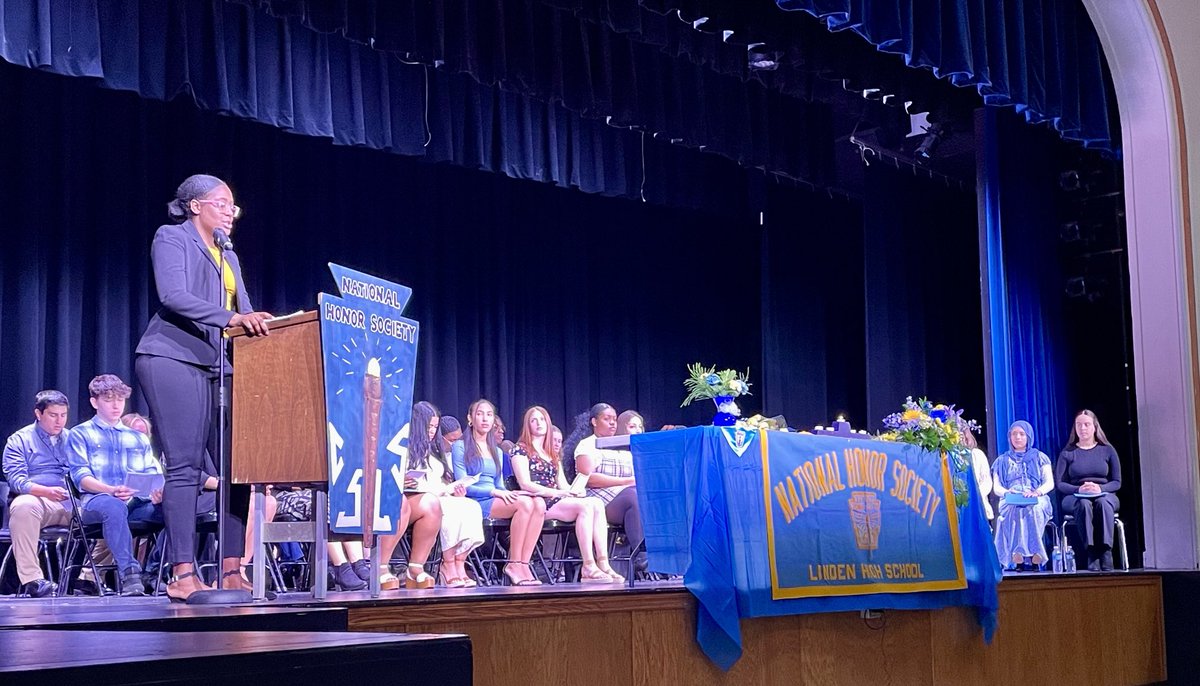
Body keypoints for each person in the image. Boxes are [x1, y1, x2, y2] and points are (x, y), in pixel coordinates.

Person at [134, 174, 273, 602]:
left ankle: (232, 568)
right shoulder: (171, 237)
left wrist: (275, 325)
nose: (230, 213)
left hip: (221, 363)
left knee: (238, 466)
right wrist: (231, 320)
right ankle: (182, 573)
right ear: (195, 206)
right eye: (221, 203)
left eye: (234, 207)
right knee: (185, 466)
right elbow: (173, 295)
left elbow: (243, 310)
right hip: (171, 357)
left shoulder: (227, 255)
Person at [66, 375, 165, 596]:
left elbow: (152, 472)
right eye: (109, 399)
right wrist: (111, 490)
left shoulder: (137, 438)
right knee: (114, 506)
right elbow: (81, 477)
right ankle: (130, 574)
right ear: (94, 402)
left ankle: (156, 570)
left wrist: (158, 491)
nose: (116, 405)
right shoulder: (80, 434)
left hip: (136, 502)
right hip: (95, 503)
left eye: (120, 399)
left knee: (174, 509)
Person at [511, 406, 622, 583]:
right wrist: (560, 492)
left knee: (595, 502)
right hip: (538, 501)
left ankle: (603, 563)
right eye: (534, 420)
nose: (539, 423)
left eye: (542, 419)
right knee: (585, 507)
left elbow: (562, 483)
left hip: (557, 498)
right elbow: (525, 483)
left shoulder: (551, 453)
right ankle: (588, 565)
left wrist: (573, 491)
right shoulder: (520, 449)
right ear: (527, 425)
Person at [453, 399, 545, 586]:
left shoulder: (495, 450)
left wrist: (513, 493)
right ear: (470, 418)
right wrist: (495, 492)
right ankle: (513, 563)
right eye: (480, 414)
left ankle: (523, 563)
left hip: (496, 496)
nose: (485, 419)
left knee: (538, 503)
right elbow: (463, 485)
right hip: (474, 500)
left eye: (489, 414)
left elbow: (500, 484)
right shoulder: (460, 446)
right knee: (525, 505)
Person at [404, 401, 484, 587]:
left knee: (470, 506)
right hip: (418, 499)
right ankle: (446, 565)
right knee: (448, 509)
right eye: (428, 426)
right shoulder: (406, 450)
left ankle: (459, 562)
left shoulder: (433, 450)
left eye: (434, 426)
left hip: (439, 494)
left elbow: (441, 480)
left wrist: (454, 489)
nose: (432, 431)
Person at [2, 390, 73, 597]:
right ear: (38, 413)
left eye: (63, 415)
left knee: (110, 507)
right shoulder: (19, 440)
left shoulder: (73, 439)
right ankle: (33, 580)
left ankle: (87, 577)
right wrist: (47, 492)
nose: (59, 421)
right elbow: (16, 481)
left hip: (71, 501)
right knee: (24, 505)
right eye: (53, 415)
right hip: (39, 501)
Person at [568, 403, 645, 573]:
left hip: (627, 494)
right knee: (633, 496)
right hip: (598, 499)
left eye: (614, 420)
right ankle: (640, 554)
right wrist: (626, 481)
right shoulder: (587, 445)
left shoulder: (623, 445)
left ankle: (657, 551)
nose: (612, 423)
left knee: (644, 496)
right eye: (607, 419)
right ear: (594, 422)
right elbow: (589, 479)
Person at [1056, 410, 1122, 571]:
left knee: (1103, 504)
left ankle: (1106, 551)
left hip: (1105, 493)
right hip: (1075, 495)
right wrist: (1080, 488)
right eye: (1079, 425)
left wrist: (1100, 488)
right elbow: (1060, 483)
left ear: (1094, 427)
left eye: (1086, 424)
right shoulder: (1068, 452)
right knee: (1084, 504)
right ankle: (1091, 551)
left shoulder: (1107, 450)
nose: (1082, 428)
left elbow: (1117, 482)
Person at [991, 420, 1054, 571]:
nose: (1018, 437)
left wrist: (1036, 492)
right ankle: (1017, 556)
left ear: (1028, 436)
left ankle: (1035, 556)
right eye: (1014, 434)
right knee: (1013, 510)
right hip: (1011, 496)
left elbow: (1049, 483)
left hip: (1036, 495)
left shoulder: (1040, 457)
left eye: (1021, 434)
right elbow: (997, 487)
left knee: (1034, 509)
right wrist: (1007, 492)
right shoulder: (1001, 461)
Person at [961, 427, 994, 521]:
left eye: (961, 433)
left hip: (978, 507)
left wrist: (974, 495)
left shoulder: (977, 454)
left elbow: (987, 482)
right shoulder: (946, 457)